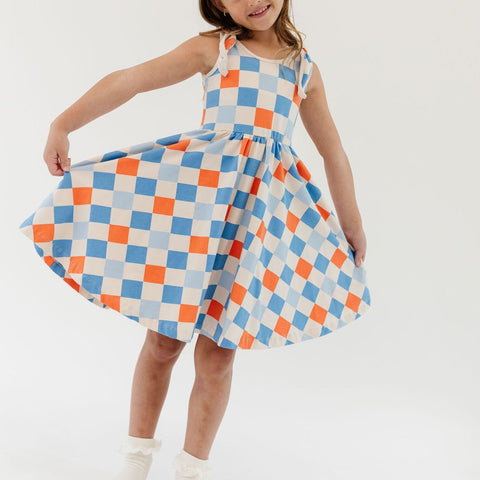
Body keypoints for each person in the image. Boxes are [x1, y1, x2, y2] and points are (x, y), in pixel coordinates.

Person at [18, 0, 372, 479]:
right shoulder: (216, 50)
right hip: (197, 218)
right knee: (164, 342)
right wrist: (63, 123)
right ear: (218, 3)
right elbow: (132, 79)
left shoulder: (302, 69)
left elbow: (334, 153)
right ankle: (135, 461)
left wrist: (352, 224)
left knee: (218, 354)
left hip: (255, 226)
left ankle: (191, 469)